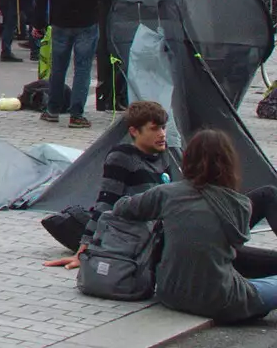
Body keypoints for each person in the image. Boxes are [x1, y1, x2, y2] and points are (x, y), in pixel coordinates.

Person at [110, 129, 277, 322]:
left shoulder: (166, 193)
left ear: (187, 159)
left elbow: (121, 208)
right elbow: (237, 242)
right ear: (229, 164)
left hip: (170, 294)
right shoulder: (239, 204)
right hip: (223, 300)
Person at [44, 100, 173, 264]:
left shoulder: (161, 153)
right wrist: (84, 247)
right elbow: (105, 203)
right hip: (131, 237)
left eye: (163, 127)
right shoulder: (122, 157)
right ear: (134, 131)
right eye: (154, 129)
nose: (162, 134)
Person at [34, 0, 109, 129]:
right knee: (83, 67)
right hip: (86, 18)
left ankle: (53, 109)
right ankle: (76, 114)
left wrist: (39, 22)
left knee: (59, 66)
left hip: (60, 18)